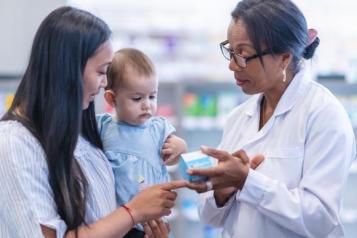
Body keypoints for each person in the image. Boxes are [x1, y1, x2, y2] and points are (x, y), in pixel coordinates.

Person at [0, 6, 186, 238]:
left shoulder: (80, 134)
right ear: (68, 70)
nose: (105, 83)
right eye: (101, 72)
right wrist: (134, 212)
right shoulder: (14, 143)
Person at [186, 0, 356, 237]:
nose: (232, 66)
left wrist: (247, 181)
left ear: (284, 58)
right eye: (231, 51)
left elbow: (320, 218)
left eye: (243, 54)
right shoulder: (239, 117)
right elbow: (211, 218)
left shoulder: (324, 115)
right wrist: (221, 191)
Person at [96, 48, 187, 237]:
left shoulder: (158, 128)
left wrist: (180, 147)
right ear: (112, 98)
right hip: (117, 221)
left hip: (152, 223)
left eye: (152, 96)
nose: (147, 104)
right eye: (137, 98)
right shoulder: (103, 126)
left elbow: (176, 154)